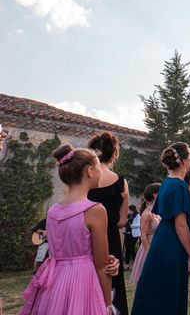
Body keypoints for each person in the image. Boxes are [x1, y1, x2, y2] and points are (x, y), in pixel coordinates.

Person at [21, 145, 121, 315]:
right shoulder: (95, 210)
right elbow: (100, 265)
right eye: (98, 167)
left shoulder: (52, 211)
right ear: (90, 171)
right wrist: (107, 305)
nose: (101, 172)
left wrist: (104, 258)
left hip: (54, 285)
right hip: (82, 283)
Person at [131, 142, 190, 315]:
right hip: (172, 245)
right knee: (168, 292)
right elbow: (181, 224)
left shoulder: (167, 183)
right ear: (184, 161)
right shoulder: (179, 186)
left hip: (162, 242)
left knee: (158, 291)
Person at [87, 131, 129, 315]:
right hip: (110, 238)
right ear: (113, 156)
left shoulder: (85, 180)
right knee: (112, 285)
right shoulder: (121, 182)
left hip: (86, 238)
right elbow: (121, 222)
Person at [130, 183, 161, 285]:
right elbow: (143, 236)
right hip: (148, 249)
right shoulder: (147, 214)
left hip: (157, 248)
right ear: (155, 195)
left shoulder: (156, 213)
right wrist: (150, 254)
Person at [123, 205, 140, 270]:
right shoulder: (128, 215)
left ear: (133, 209)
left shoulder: (137, 215)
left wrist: (131, 225)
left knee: (131, 249)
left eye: (130, 210)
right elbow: (125, 223)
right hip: (127, 234)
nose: (129, 211)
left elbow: (139, 224)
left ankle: (134, 265)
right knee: (127, 249)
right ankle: (127, 265)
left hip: (134, 235)